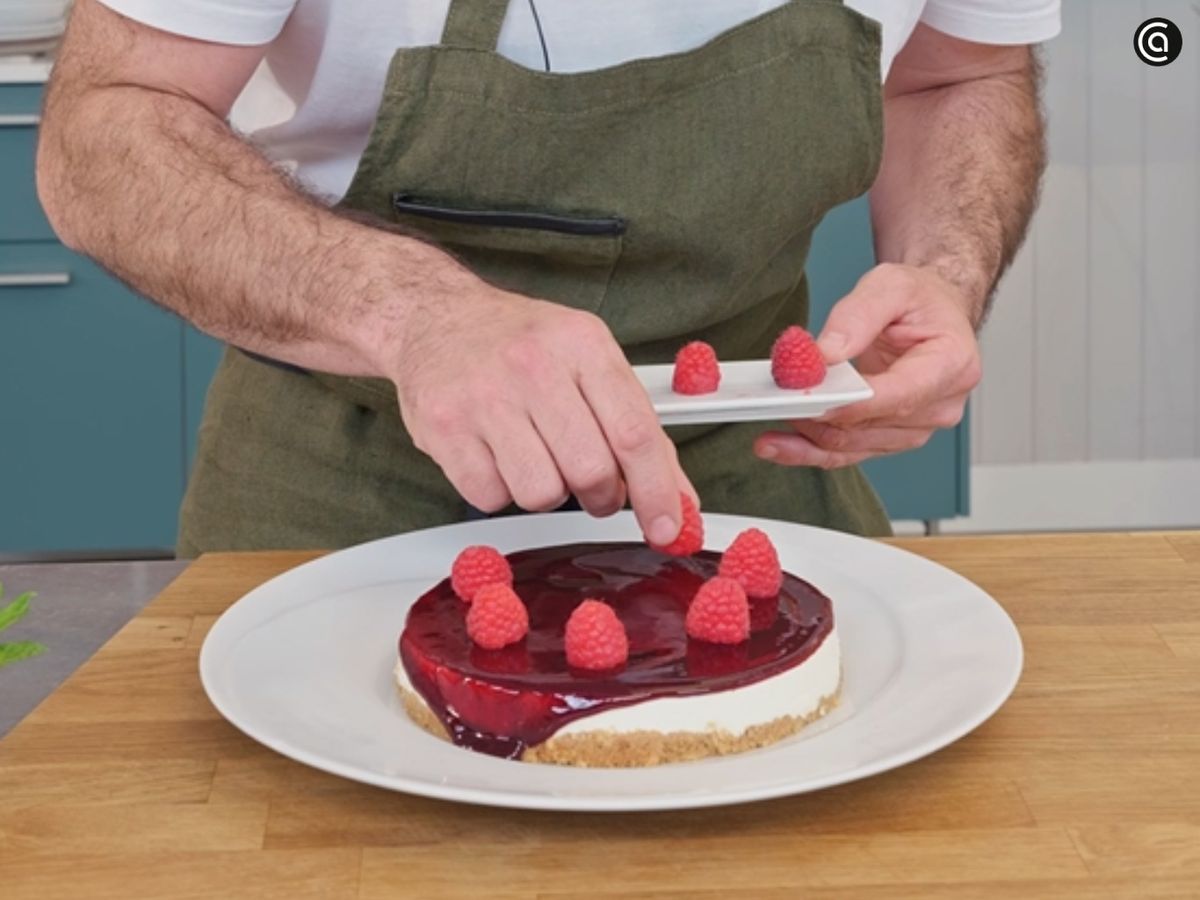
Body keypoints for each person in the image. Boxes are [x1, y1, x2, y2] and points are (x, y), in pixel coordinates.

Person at [36, 0, 1058, 554]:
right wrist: (416, 314)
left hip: (749, 472)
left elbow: (960, 74)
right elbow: (103, 130)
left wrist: (943, 272)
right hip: (353, 475)